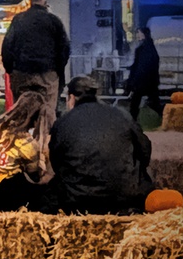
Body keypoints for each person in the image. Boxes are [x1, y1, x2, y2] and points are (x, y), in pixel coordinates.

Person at [38, 75, 154, 215]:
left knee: (46, 195)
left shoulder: (62, 123)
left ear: (71, 98)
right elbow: (144, 150)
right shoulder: (122, 115)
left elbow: (57, 162)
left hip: (76, 200)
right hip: (124, 197)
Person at [1, 0, 70, 112]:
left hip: (22, 73)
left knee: (21, 111)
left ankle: (23, 123)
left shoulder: (18, 20)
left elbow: (7, 46)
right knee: (47, 109)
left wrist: (10, 70)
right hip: (47, 73)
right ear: (45, 2)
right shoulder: (53, 20)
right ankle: (45, 124)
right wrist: (57, 69)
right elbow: (64, 48)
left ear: (31, 2)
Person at [126, 27, 163, 121]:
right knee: (153, 102)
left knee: (136, 102)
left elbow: (140, 66)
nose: (137, 35)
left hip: (143, 80)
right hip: (149, 80)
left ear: (143, 34)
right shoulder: (150, 47)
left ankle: (133, 120)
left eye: (139, 33)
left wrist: (134, 79)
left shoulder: (143, 49)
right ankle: (165, 116)